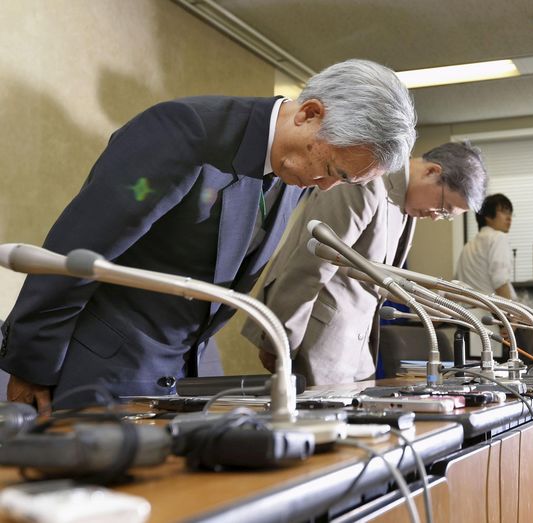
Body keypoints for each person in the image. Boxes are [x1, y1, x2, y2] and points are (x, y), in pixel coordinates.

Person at [0, 59, 417, 413]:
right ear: (309, 113)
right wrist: (31, 366)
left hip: (189, 370)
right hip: (101, 366)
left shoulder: (299, 168)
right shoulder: (183, 133)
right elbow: (77, 249)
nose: (325, 187)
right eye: (333, 171)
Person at [242, 142, 488, 385]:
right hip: (315, 337)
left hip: (355, 347)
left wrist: (443, 299)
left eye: (445, 216)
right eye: (444, 208)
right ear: (432, 171)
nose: (436, 217)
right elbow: (311, 263)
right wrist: (280, 339)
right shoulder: (368, 179)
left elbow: (377, 275)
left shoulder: (403, 202)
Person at [454, 193, 515, 357]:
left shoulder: (468, 246)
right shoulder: (498, 238)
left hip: (466, 322)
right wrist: (508, 320)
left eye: (510, 213)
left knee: (470, 376)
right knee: (497, 376)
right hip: (491, 321)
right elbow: (500, 281)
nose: (509, 218)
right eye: (504, 212)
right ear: (487, 216)